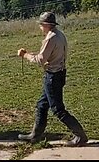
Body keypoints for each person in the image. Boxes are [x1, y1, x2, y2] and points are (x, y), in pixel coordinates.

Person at [17, 12, 88, 147]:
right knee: (42, 105)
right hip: (59, 74)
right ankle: (35, 135)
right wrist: (31, 54)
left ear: (45, 25)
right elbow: (47, 56)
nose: (40, 28)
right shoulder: (60, 35)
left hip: (53, 77)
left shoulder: (51, 38)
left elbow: (40, 60)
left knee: (57, 109)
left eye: (41, 25)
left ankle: (80, 136)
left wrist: (25, 55)